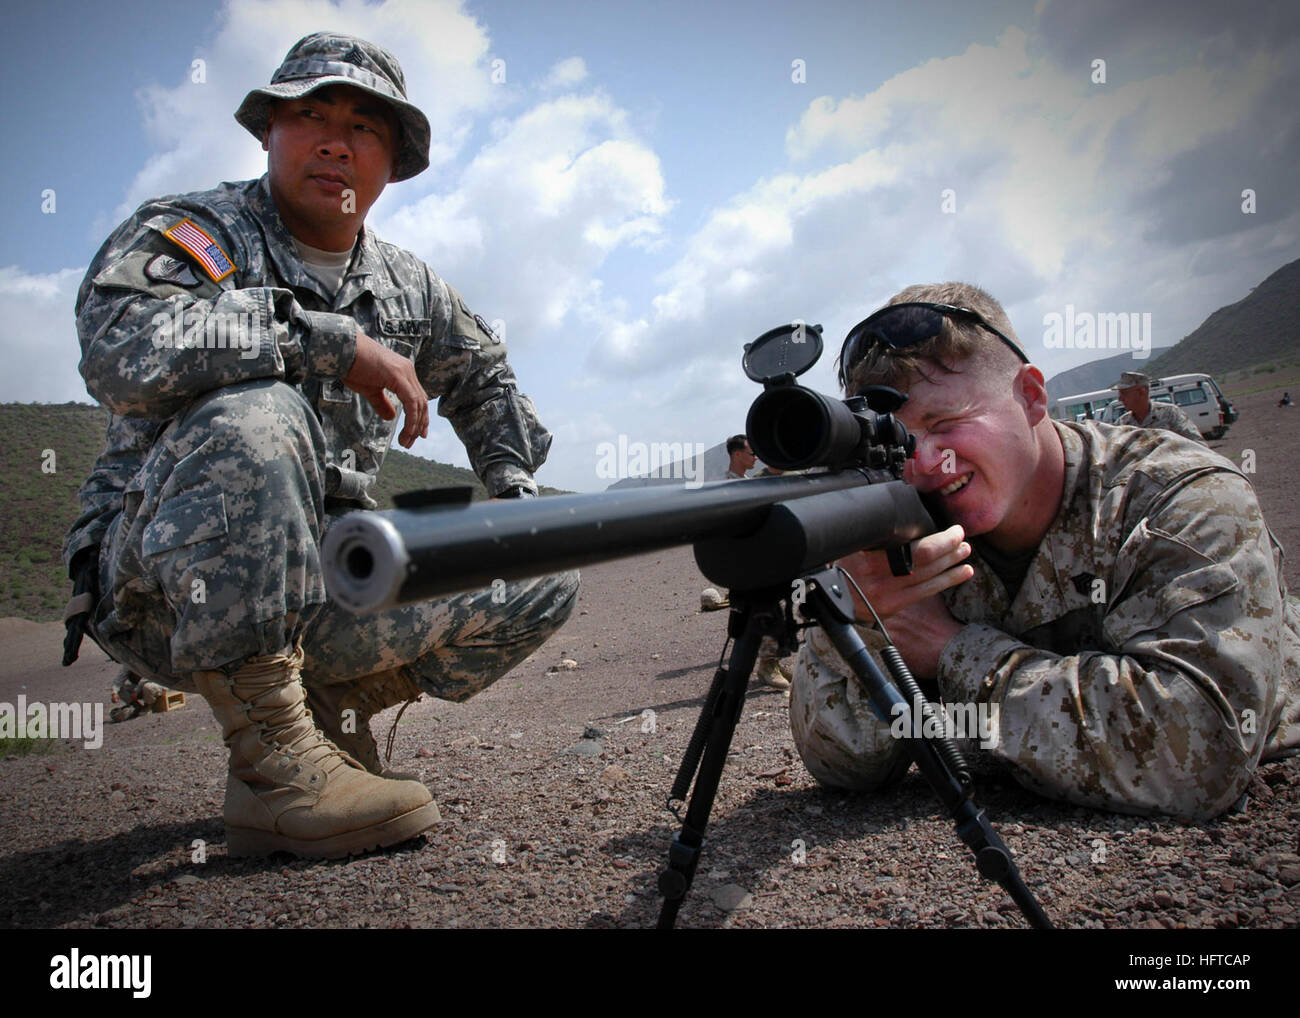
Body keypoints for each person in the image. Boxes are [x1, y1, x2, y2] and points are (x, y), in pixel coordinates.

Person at [62, 32, 579, 858]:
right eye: (311, 115)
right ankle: (274, 762)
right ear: (268, 131)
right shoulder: (198, 234)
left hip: (322, 578)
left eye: (365, 128)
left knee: (543, 566)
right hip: (160, 585)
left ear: (393, 160)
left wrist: (511, 484)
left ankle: (322, 719)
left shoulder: (411, 287)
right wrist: (324, 342)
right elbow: (117, 346)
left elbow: (484, 379)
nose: (337, 140)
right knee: (257, 416)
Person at [789, 282, 1300, 820]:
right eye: (898, 442)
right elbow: (843, 765)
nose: (923, 464)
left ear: (1031, 397)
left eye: (944, 423)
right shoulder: (903, 527)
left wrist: (949, 650)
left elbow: (1201, 754)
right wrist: (855, 622)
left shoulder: (1177, 498)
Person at [1113, 371, 1206, 443]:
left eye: (1124, 393)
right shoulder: (1122, 424)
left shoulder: (1171, 414)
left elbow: (1197, 445)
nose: (1120, 399)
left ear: (1142, 392)